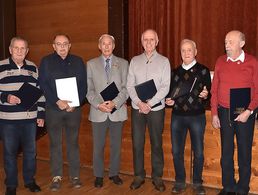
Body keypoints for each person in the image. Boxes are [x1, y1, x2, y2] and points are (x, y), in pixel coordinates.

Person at [211, 30, 258, 195]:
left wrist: (249, 111)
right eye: (225, 41)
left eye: (231, 41)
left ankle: (243, 188)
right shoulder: (220, 61)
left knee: (244, 152)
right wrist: (214, 113)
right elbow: (214, 89)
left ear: (242, 43)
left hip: (245, 114)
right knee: (226, 153)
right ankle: (228, 187)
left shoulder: (252, 62)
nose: (227, 45)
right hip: (224, 112)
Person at [38, 34, 87, 191]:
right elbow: (43, 84)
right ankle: (56, 177)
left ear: (70, 45)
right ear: (53, 46)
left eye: (65, 43)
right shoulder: (46, 61)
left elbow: (83, 86)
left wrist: (75, 103)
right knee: (55, 144)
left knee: (73, 143)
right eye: (59, 44)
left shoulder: (79, 61)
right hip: (54, 110)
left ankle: (75, 176)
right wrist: (57, 101)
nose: (62, 47)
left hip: (73, 110)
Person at [127, 29, 170, 192]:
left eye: (152, 39)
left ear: (157, 41)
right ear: (141, 41)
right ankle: (139, 175)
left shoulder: (164, 61)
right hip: (138, 109)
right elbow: (129, 85)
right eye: (146, 39)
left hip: (156, 109)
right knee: (137, 144)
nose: (149, 42)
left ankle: (157, 177)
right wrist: (139, 103)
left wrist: (150, 103)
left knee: (156, 144)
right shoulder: (134, 61)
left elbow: (165, 86)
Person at [0, 37, 45, 195]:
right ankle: (11, 184)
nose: (19, 51)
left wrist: (40, 114)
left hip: (29, 120)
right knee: (10, 153)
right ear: (10, 49)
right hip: (8, 121)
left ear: (27, 51)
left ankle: (29, 181)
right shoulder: (1, 67)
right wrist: (6, 97)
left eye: (23, 48)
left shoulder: (33, 68)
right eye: (16, 48)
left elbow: (40, 93)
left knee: (31, 152)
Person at [166, 39, 211, 195]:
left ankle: (197, 183)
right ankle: (180, 182)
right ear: (180, 53)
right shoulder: (174, 72)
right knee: (176, 151)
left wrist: (206, 95)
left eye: (189, 50)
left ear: (195, 51)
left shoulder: (204, 71)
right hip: (177, 117)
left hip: (197, 117)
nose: (186, 53)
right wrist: (169, 100)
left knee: (198, 152)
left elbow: (208, 93)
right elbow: (170, 95)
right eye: (183, 50)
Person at [86, 34, 128, 188]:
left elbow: (126, 88)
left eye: (109, 44)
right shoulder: (90, 64)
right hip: (98, 112)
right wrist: (99, 105)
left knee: (116, 145)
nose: (106, 46)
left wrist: (115, 103)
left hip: (117, 111)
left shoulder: (123, 64)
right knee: (98, 146)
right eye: (103, 44)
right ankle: (98, 175)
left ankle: (114, 174)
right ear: (99, 46)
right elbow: (88, 90)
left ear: (114, 45)